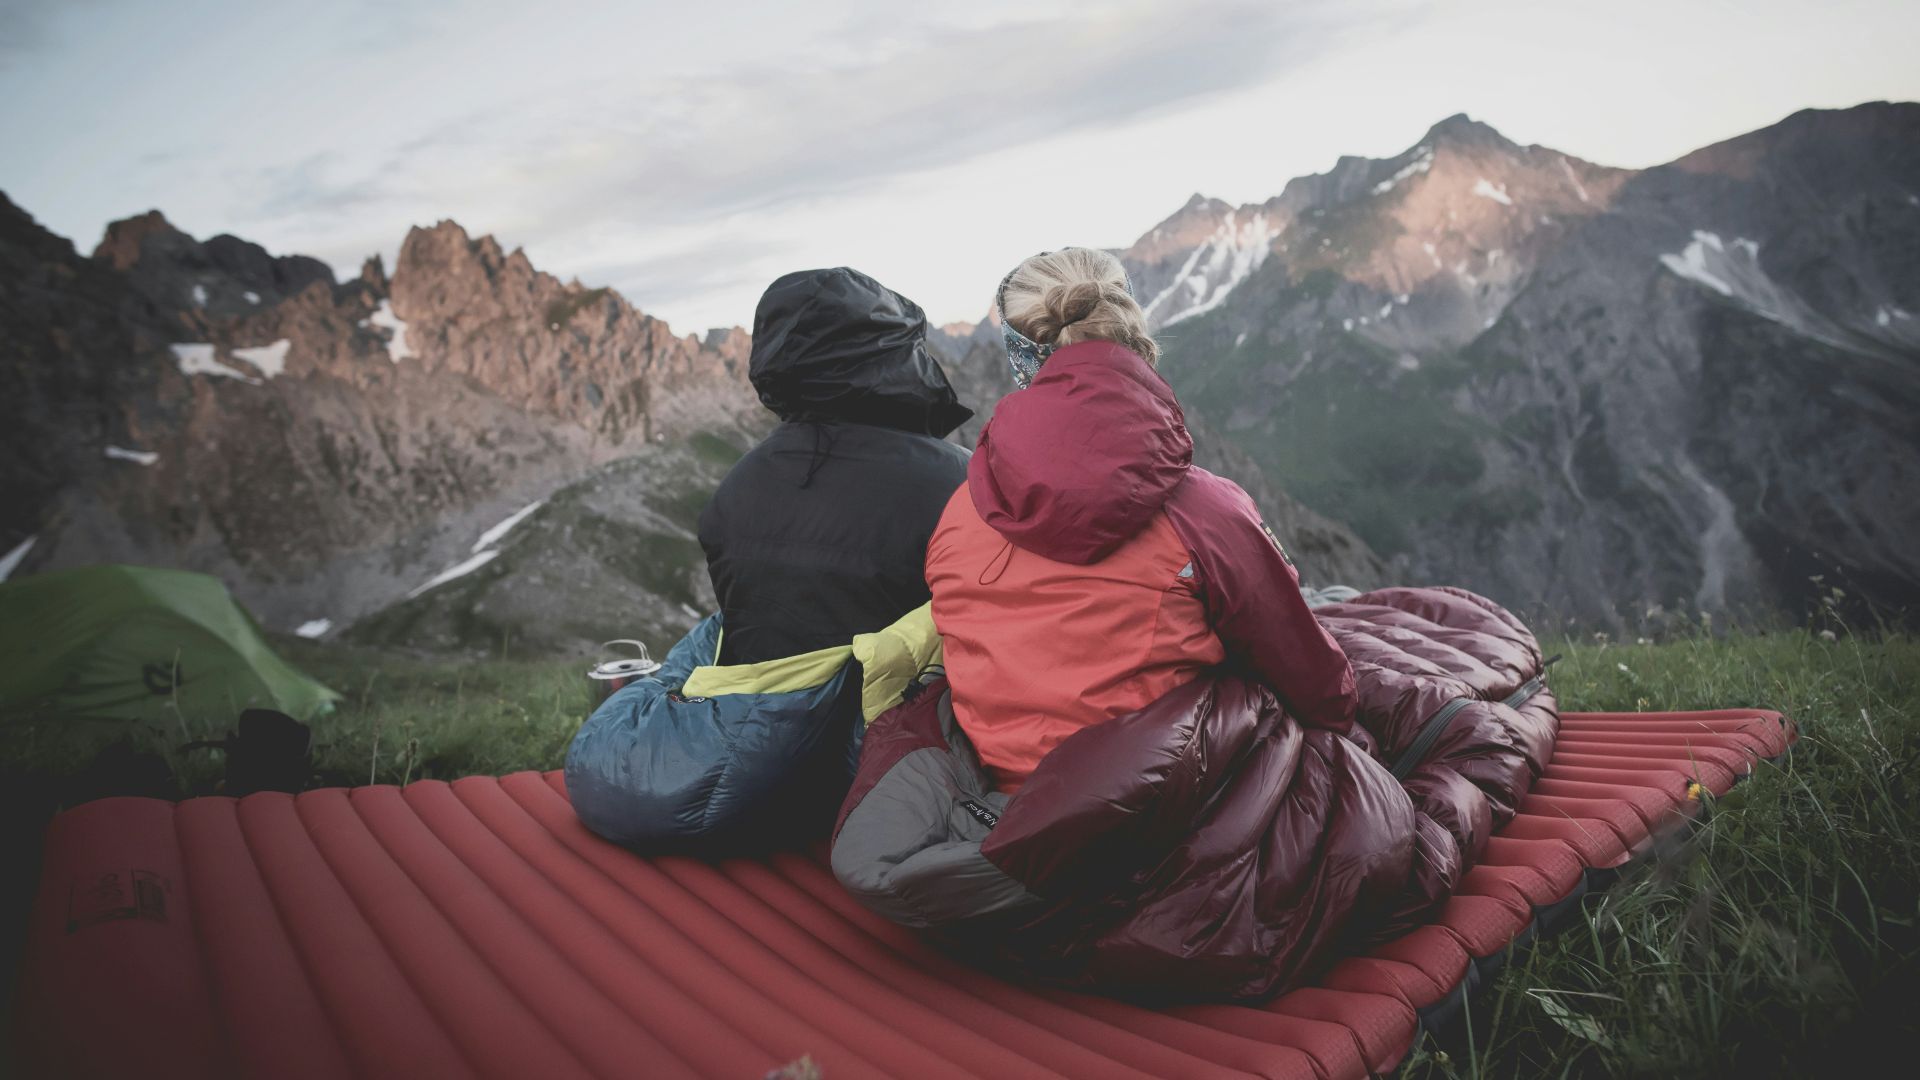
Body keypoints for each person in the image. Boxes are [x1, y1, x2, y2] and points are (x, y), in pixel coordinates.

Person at [925, 248, 1357, 791]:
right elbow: (1316, 687)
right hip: (1159, 803)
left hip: (1005, 796)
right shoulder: (1204, 510)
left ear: (1019, 352)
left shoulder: (963, 510)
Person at [701, 267, 972, 665]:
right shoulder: (960, 481)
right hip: (898, 721)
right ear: (894, 358)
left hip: (761, 722)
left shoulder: (733, 490)